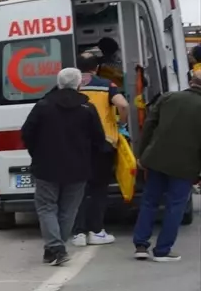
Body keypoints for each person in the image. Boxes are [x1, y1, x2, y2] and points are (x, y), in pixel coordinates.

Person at [21, 67, 109, 265]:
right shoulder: (88, 108)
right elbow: (99, 140)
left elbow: (27, 133)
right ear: (79, 84)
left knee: (46, 207)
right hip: (79, 168)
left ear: (58, 83)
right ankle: (55, 248)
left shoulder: (43, 106)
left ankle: (55, 248)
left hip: (46, 166)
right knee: (69, 209)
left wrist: (37, 153)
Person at [131, 67, 201, 262]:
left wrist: (142, 154)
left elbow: (149, 126)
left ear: (190, 82)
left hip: (156, 159)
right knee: (175, 206)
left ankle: (141, 245)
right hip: (185, 166)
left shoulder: (168, 98)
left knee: (149, 201)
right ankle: (162, 250)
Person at [70, 51, 129, 247]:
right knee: (98, 189)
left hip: (76, 144)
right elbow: (123, 104)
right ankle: (96, 231)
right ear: (96, 68)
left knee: (78, 189)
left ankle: (78, 233)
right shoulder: (106, 85)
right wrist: (121, 123)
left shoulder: (71, 86)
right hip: (103, 144)